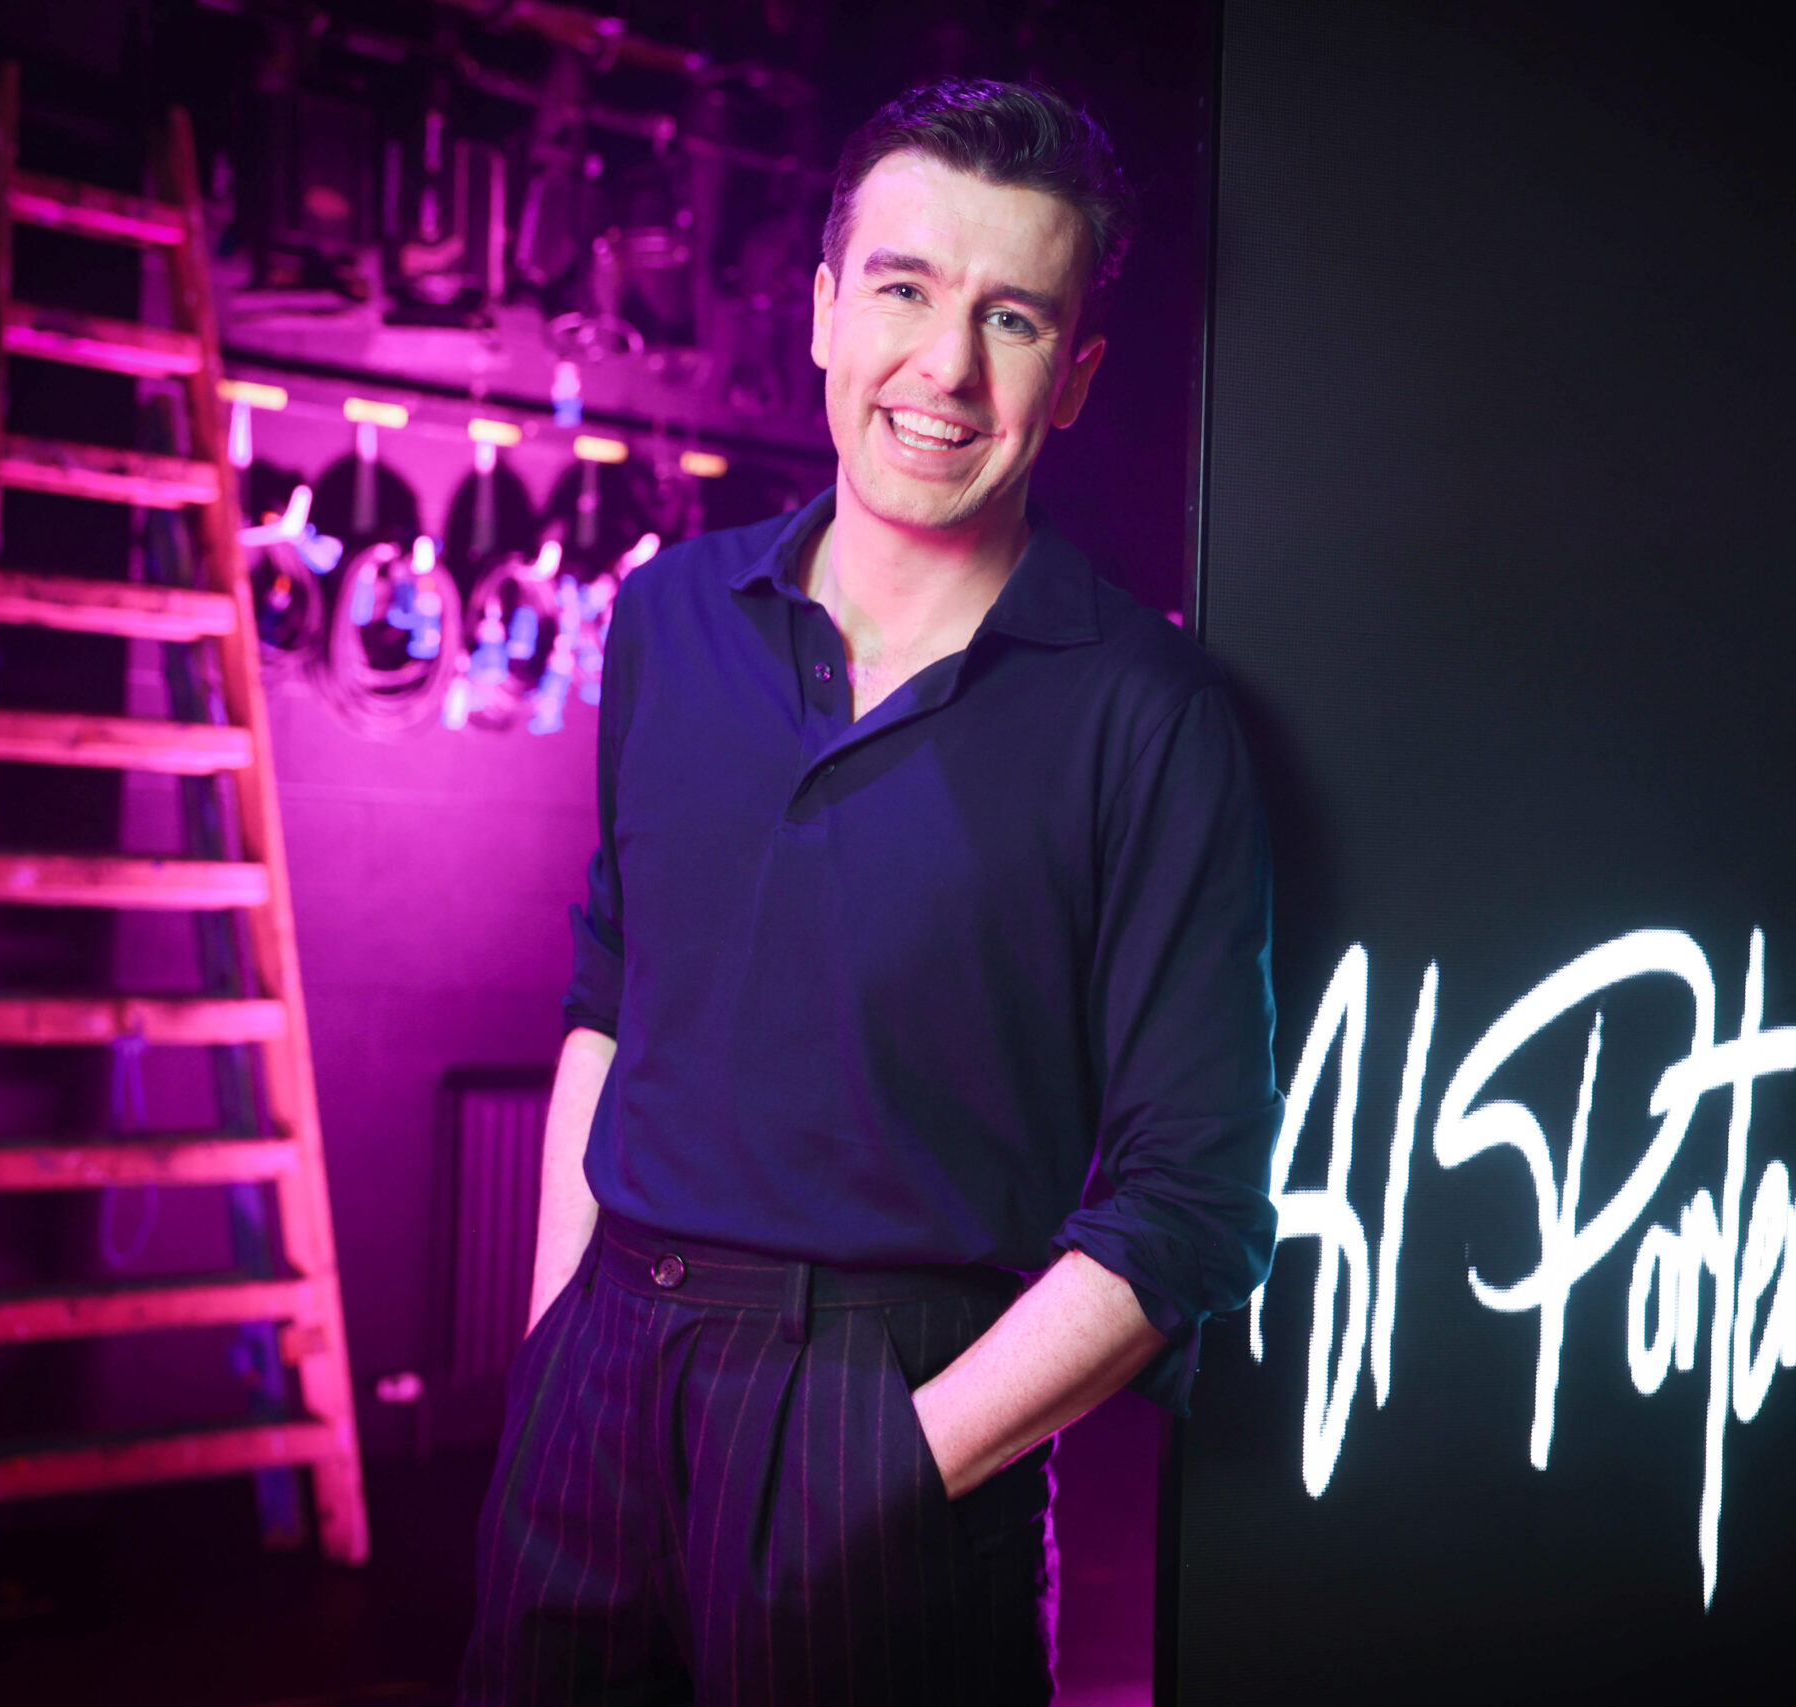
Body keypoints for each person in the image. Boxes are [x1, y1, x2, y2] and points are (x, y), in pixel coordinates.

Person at [460, 78, 1281, 1706]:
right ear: (827, 309)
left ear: (1075, 376)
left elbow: (1193, 1206)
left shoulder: (1149, 716)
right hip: (597, 1386)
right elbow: (611, 1002)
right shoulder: (669, 617)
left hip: (889, 1409)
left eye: (1012, 319)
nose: (946, 367)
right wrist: (556, 1340)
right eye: (904, 290)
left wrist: (897, 1463)